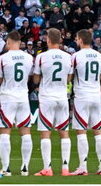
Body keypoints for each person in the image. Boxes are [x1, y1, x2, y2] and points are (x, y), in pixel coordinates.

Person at [0, 31, 34, 176]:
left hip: (7, 97)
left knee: (5, 133)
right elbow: (30, 77)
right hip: (23, 96)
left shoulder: (3, 58)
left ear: (9, 42)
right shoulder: (29, 58)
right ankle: (25, 168)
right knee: (26, 132)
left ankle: (6, 168)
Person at [33, 28, 72, 176]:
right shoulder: (68, 56)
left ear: (48, 40)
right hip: (62, 97)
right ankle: (65, 168)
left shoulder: (41, 57)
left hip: (47, 97)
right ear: (61, 39)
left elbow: (36, 79)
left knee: (45, 134)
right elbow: (69, 78)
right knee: (64, 133)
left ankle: (47, 168)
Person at [71, 29, 101, 175]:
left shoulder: (75, 56)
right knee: (98, 131)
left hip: (82, 96)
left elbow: (70, 75)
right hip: (96, 95)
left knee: (81, 131)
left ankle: (83, 167)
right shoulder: (99, 55)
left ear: (80, 40)